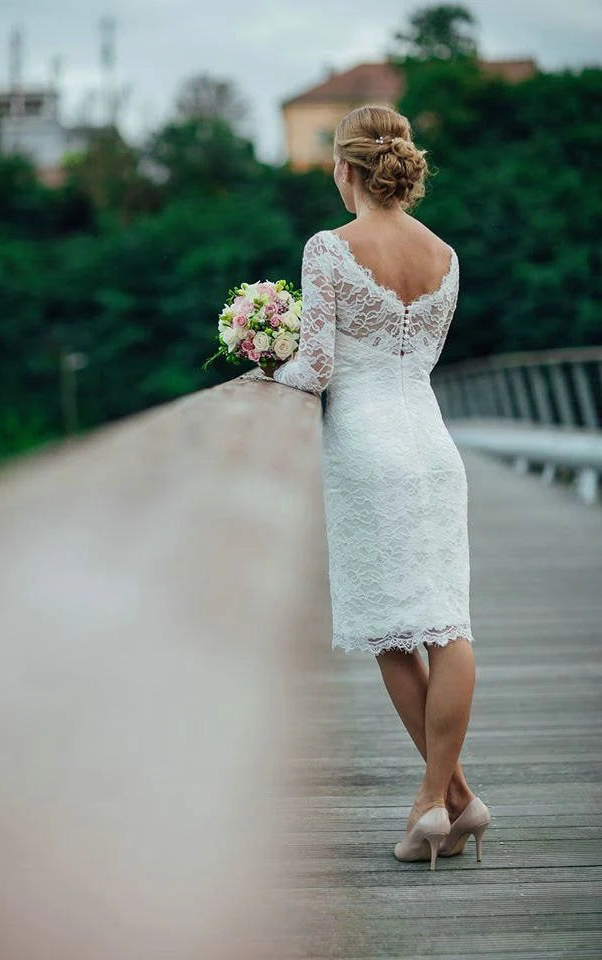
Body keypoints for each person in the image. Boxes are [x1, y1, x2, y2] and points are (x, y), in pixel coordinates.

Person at [263, 104, 490, 871]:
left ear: (345, 169)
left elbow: (320, 368)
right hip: (432, 444)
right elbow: (415, 359)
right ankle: (458, 802)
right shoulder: (445, 254)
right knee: (445, 624)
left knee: (392, 627)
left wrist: (266, 366)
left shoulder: (329, 248)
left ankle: (432, 803)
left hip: (364, 447)